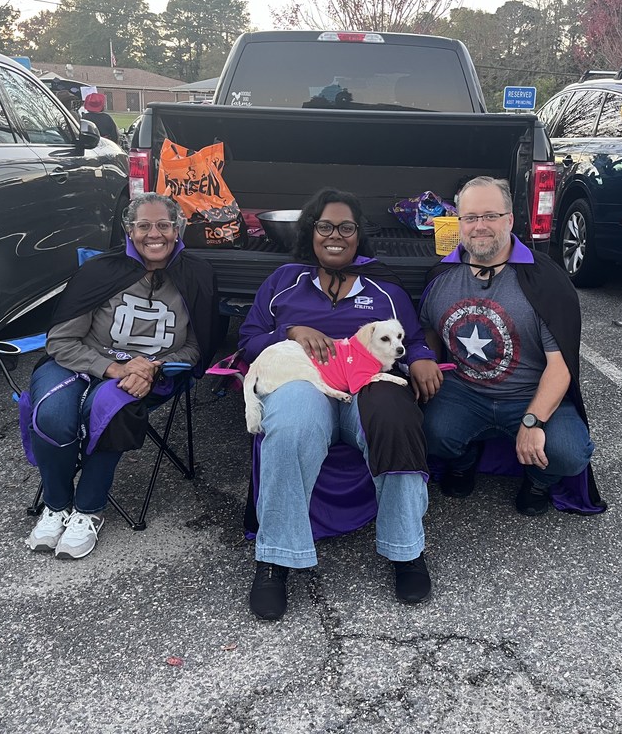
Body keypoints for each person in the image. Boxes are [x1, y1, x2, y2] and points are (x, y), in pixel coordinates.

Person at [238, 187, 441, 620]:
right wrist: (290, 332)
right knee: (290, 425)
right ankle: (276, 557)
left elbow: (412, 339)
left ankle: (405, 549)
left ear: (358, 234)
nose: (335, 236)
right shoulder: (283, 282)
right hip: (303, 380)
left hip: (366, 383)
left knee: (396, 419)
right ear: (310, 232)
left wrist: (422, 357)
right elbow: (249, 341)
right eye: (325, 226)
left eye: (346, 227)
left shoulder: (384, 289)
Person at [24, 192, 219, 559]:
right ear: (129, 231)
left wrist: (153, 367)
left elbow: (198, 346)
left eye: (163, 225)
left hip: (150, 376)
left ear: (178, 229)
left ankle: (88, 510)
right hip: (77, 363)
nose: (154, 234)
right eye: (143, 226)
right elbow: (62, 341)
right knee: (52, 414)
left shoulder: (197, 275)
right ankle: (56, 505)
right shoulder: (100, 272)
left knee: (111, 411)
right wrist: (115, 368)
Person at [417, 176, 599, 516]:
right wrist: (424, 362)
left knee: (569, 452)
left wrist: (533, 421)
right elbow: (429, 334)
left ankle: (539, 481)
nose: (480, 226)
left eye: (491, 216)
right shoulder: (441, 278)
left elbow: (561, 365)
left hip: (530, 393)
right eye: (471, 217)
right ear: (459, 222)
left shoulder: (545, 281)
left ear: (510, 220)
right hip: (464, 393)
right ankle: (463, 461)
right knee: (421, 430)